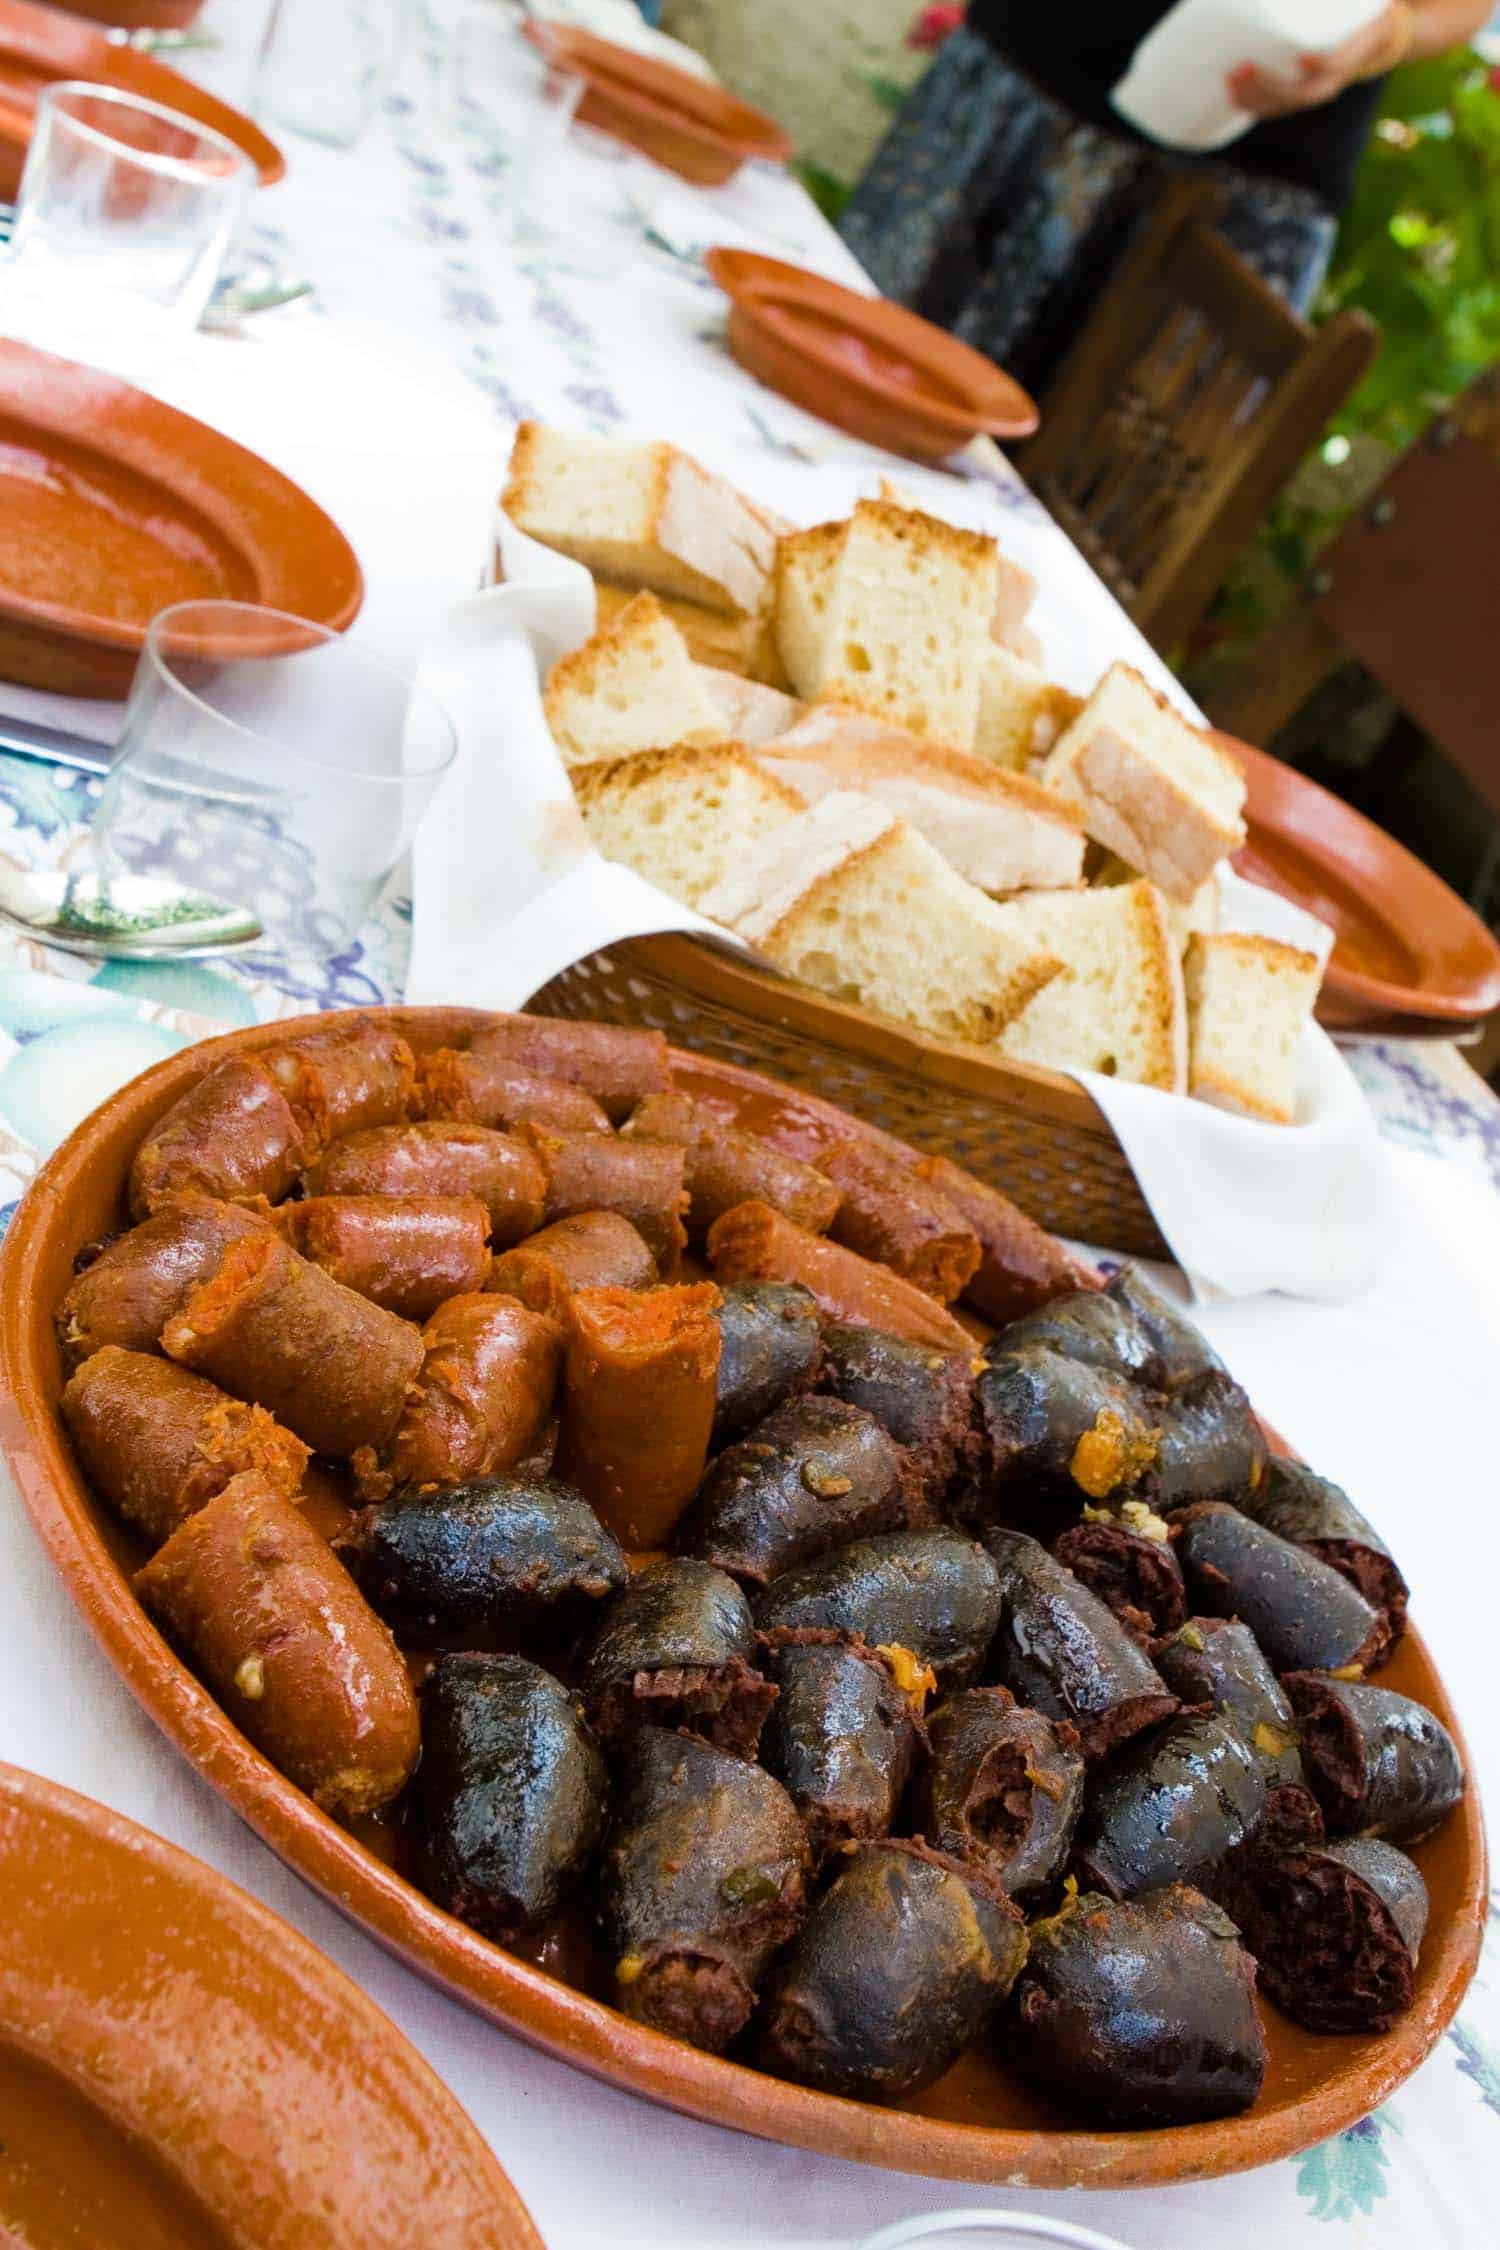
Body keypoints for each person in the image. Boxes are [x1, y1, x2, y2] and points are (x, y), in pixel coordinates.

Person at [840, 2, 1492, 394]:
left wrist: (1391, 32)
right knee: (828, 391)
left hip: (1247, 191)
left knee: (1067, 542)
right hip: (1024, 89)